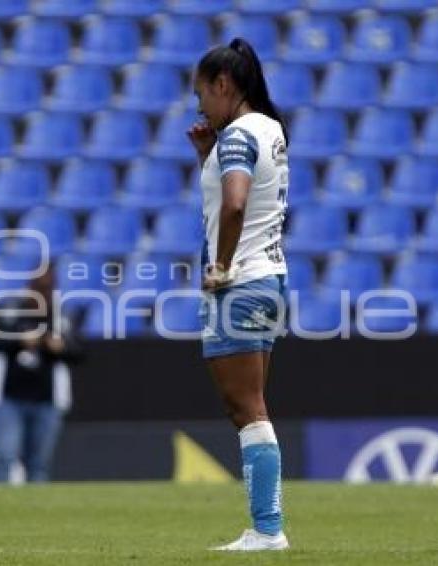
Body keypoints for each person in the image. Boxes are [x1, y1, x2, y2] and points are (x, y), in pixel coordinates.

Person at [187, 37, 290, 551]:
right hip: (269, 276)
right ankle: (266, 527)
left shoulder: (237, 136)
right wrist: (207, 154)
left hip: (242, 280)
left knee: (246, 407)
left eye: (201, 94)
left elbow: (234, 205)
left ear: (223, 85)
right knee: (252, 405)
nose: (199, 106)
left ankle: (268, 529)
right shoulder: (269, 129)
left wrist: (221, 265)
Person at [0, 266, 83, 483]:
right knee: (5, 456)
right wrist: (19, 341)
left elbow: (79, 353)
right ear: (29, 287)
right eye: (38, 288)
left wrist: (60, 348)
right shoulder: (9, 311)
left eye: (47, 289)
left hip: (47, 401)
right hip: (7, 399)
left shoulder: (60, 318)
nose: (42, 294)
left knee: (39, 463)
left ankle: (38, 513)